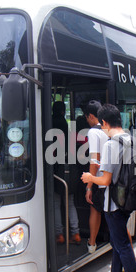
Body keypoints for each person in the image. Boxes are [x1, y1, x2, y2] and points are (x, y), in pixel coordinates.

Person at [81, 104, 136, 272]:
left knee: (122, 244)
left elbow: (105, 180)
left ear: (105, 122)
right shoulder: (132, 140)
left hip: (113, 203)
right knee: (118, 241)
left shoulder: (110, 144)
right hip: (128, 200)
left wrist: (89, 178)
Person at [52, 101, 80, 245]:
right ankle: (76, 233)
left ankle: (59, 234)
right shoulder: (65, 126)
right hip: (69, 168)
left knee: (56, 203)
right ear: (63, 111)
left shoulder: (50, 124)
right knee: (70, 203)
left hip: (57, 170)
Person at [84, 100, 109, 254]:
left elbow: (94, 161)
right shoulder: (109, 129)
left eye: (86, 117)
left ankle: (92, 244)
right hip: (112, 180)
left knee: (95, 209)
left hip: (99, 180)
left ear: (91, 116)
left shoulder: (93, 132)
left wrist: (89, 186)